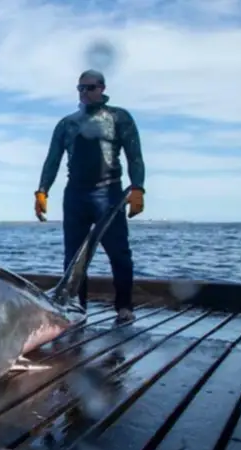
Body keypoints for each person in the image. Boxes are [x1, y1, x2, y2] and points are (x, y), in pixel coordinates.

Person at [33, 69, 146, 322]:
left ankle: (124, 307)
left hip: (109, 194)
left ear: (102, 88)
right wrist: (42, 191)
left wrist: (137, 187)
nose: (85, 93)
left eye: (90, 87)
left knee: (119, 253)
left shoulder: (120, 117)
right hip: (75, 195)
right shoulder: (66, 123)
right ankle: (77, 308)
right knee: (73, 256)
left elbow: (134, 156)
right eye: (80, 88)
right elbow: (52, 160)